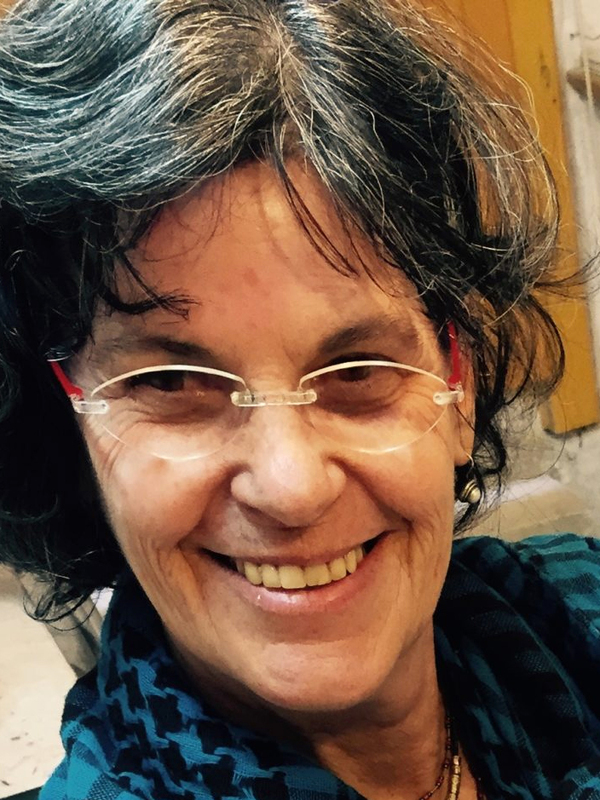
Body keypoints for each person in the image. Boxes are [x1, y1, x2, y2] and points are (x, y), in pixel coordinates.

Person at [0, 0, 598, 798]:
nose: (291, 487)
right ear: (68, 434)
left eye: (357, 371)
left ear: (460, 388)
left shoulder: (574, 612)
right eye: (171, 384)